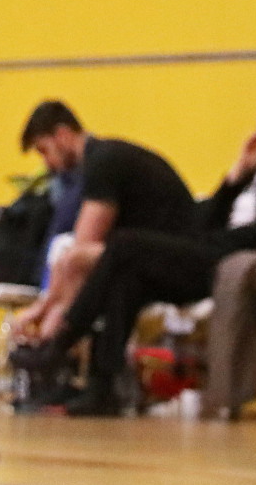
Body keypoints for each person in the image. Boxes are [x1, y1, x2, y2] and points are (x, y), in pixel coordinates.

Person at [15, 86, 256, 416]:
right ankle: (101, 386)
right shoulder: (255, 172)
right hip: (212, 251)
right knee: (128, 280)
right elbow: (205, 219)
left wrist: (217, 240)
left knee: (124, 244)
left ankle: (60, 344)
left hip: (232, 263)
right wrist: (236, 174)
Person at [12, 102, 197, 348]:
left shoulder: (103, 162)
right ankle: (53, 348)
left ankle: (51, 347)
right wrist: (46, 305)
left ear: (63, 135)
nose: (46, 163)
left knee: (76, 262)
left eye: (44, 150)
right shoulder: (105, 158)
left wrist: (42, 309)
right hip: (159, 253)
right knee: (69, 258)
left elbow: (82, 246)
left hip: (177, 261)